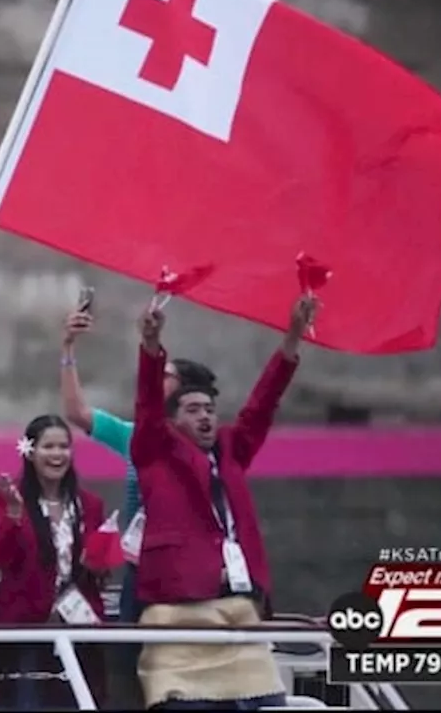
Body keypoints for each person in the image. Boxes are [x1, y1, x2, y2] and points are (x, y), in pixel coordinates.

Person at [129, 295, 315, 711]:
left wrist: (292, 337)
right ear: (173, 419)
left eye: (210, 409)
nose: (205, 417)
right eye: (193, 410)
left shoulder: (232, 448)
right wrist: (151, 347)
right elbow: (146, 406)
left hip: (240, 624)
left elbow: (262, 405)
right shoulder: (154, 450)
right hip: (181, 628)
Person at [60, 307, 217, 709]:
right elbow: (77, 413)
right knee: (128, 661)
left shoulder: (206, 450)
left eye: (167, 377)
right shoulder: (136, 437)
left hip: (184, 574)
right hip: (137, 568)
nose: (157, 379)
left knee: (180, 667)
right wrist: (68, 349)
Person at [0, 414, 111, 710]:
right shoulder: (7, 498)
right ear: (30, 452)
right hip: (27, 626)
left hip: (79, 625)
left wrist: (100, 564)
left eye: (64, 447)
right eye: (49, 447)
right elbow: (0, 558)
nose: (57, 454)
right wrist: (15, 517)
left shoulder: (90, 504)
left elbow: (102, 572)